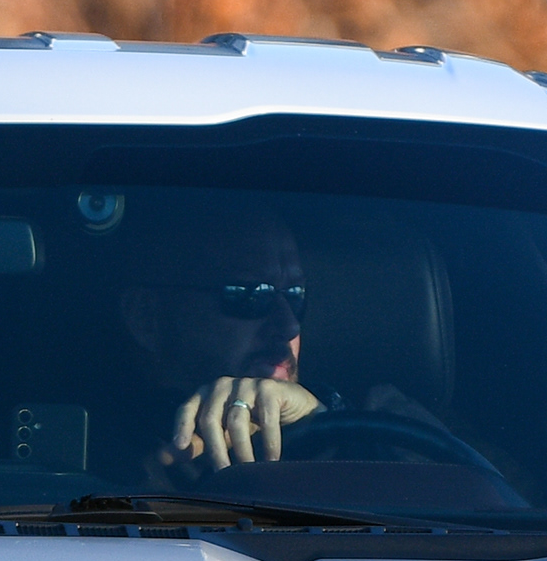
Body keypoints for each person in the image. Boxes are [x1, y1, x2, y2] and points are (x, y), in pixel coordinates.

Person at [112, 203, 444, 477]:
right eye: (249, 294)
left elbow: (481, 507)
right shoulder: (82, 440)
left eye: (296, 295)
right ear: (146, 317)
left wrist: (328, 424)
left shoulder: (383, 414)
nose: (288, 326)